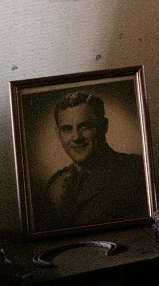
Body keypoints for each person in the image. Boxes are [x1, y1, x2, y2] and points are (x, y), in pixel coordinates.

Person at [40, 90, 149, 231]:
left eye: (85, 126)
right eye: (67, 129)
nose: (76, 137)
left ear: (104, 126)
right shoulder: (55, 186)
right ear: (58, 134)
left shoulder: (137, 171)